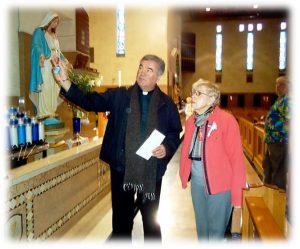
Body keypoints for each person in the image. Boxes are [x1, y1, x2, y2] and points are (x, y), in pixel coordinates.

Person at [52, 54, 182, 241]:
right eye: (141, 66)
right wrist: (65, 82)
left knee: (151, 223)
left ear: (158, 77)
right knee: (121, 223)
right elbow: (90, 101)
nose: (142, 72)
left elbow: (174, 133)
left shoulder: (166, 104)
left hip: (151, 171)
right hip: (122, 169)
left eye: (149, 70)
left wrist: (166, 148)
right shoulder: (121, 97)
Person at [179, 79, 246, 240]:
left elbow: (237, 160)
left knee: (216, 234)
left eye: (198, 93)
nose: (192, 97)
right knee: (202, 232)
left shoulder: (226, 121)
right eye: (192, 92)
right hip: (197, 185)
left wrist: (237, 198)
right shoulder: (191, 122)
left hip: (221, 187)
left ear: (211, 99)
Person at [29, 11, 72, 123]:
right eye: (54, 21)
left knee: (55, 87)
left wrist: (66, 62)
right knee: (46, 87)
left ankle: (51, 111)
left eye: (57, 22)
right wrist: (41, 55)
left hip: (55, 63)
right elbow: (36, 45)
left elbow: (58, 51)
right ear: (48, 20)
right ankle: (43, 112)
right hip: (46, 63)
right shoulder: (40, 32)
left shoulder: (54, 35)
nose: (56, 24)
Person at [263, 76, 290, 190]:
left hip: (279, 141)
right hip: (272, 140)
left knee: (278, 172)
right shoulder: (280, 100)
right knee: (268, 168)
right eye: (277, 84)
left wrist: (275, 129)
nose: (277, 87)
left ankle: (276, 199)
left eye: (281, 85)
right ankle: (268, 193)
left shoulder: (288, 100)